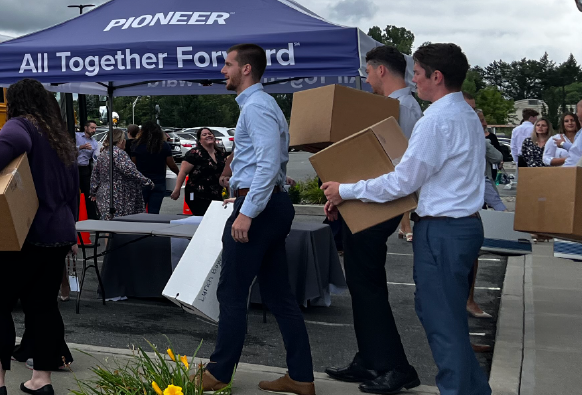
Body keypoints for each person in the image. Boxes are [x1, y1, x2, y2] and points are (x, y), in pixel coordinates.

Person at [323, 43, 492, 395]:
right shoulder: (465, 115)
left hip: (442, 229)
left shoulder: (436, 120)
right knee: (450, 322)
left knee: (442, 323)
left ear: (437, 76)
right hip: (461, 227)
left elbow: (403, 180)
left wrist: (346, 191)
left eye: (417, 73)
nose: (414, 81)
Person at [198, 44, 314, 395]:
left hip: (259, 209)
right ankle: (301, 376)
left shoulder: (257, 107)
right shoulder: (261, 105)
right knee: (279, 296)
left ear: (246, 69)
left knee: (231, 290)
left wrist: (247, 211)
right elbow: (268, 165)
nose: (223, 71)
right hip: (266, 205)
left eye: (228, 64)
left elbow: (266, 165)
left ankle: (218, 373)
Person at [0, 78, 78, 395]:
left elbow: (8, 140)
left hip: (23, 233)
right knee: (43, 307)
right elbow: (73, 190)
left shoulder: (23, 125)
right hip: (58, 234)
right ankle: (41, 380)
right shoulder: (61, 138)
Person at [320, 45, 424, 393]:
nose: (366, 78)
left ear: (382, 70)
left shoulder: (403, 109)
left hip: (379, 208)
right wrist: (341, 196)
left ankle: (395, 366)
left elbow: (398, 173)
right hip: (366, 203)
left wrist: (348, 194)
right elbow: (367, 161)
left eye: (368, 71)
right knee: (362, 287)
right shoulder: (392, 107)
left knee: (370, 288)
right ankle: (368, 359)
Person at [90, 130, 153, 219]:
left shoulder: (103, 153)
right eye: (124, 139)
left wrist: (93, 191)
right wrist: (147, 181)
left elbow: (95, 174)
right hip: (119, 194)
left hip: (104, 193)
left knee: (108, 223)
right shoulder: (118, 153)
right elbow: (130, 170)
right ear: (120, 141)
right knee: (119, 222)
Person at [170, 128, 231, 216]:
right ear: (200, 140)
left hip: (216, 194)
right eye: (204, 134)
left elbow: (226, 175)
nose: (208, 135)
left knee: (214, 218)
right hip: (197, 194)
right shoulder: (194, 153)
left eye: (210, 134)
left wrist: (229, 193)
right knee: (203, 217)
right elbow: (183, 172)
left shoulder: (221, 154)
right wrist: (177, 190)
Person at [125, 120, 177, 214]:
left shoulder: (137, 145)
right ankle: (152, 227)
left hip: (141, 181)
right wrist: (179, 173)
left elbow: (133, 165)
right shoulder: (164, 146)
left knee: (140, 210)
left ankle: (141, 228)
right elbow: (172, 165)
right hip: (159, 181)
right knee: (154, 211)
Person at [75, 121, 99, 219]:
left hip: (85, 168)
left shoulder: (94, 142)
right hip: (73, 166)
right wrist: (81, 147)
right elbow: (68, 148)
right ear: (86, 127)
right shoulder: (76, 136)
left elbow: (95, 157)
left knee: (88, 192)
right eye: (92, 128)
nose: (94, 130)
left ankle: (92, 216)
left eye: (95, 128)